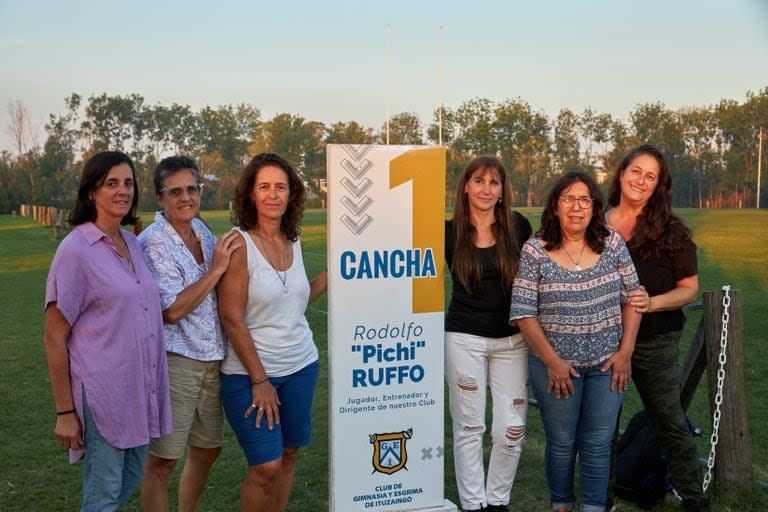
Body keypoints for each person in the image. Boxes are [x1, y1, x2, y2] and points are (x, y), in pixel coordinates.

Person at [43, 151, 172, 511]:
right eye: (111, 183)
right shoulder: (76, 250)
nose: (123, 191)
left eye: (128, 183)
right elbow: (54, 335)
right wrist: (64, 412)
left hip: (139, 387)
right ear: (91, 193)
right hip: (103, 393)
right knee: (103, 496)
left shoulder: (132, 242)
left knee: (127, 481)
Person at [509, 171, 642, 512]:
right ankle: (562, 504)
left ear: (594, 207)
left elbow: (633, 298)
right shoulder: (535, 250)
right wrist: (552, 362)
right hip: (554, 367)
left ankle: (594, 506)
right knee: (563, 442)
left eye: (584, 200)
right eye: (568, 199)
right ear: (555, 206)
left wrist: (625, 353)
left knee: (598, 443)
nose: (576, 207)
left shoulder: (612, 243)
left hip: (607, 364)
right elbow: (524, 312)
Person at [218, 152, 327, 512]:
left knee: (290, 453)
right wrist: (260, 380)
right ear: (250, 193)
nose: (273, 194)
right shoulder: (238, 244)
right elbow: (231, 317)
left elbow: (292, 302)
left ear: (291, 193)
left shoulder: (292, 239)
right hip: (249, 375)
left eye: (280, 187)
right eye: (264, 186)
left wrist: (325, 279)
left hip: (301, 365)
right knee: (266, 466)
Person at [606, 145, 709, 512]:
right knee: (602, 427)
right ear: (621, 173)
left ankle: (694, 500)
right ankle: (600, 498)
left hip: (656, 341)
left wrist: (653, 303)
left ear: (658, 186)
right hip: (601, 343)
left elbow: (689, 288)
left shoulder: (671, 231)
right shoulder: (594, 224)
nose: (641, 181)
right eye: (636, 171)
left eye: (650, 176)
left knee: (669, 421)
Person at [138, 156, 242, 512]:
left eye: (192, 189)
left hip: (213, 360)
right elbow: (172, 310)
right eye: (176, 191)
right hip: (176, 361)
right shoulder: (153, 242)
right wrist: (216, 270)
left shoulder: (203, 232)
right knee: (163, 460)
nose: (186, 197)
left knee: (209, 449)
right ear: (161, 198)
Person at [444, 156, 531, 512]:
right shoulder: (448, 232)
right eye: (478, 181)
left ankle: (497, 501)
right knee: (469, 426)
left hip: (513, 341)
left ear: (502, 190)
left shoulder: (518, 226)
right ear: (465, 186)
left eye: (494, 183)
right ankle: (474, 504)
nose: (486, 189)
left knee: (511, 429)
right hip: (464, 338)